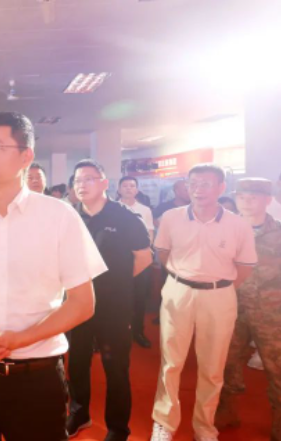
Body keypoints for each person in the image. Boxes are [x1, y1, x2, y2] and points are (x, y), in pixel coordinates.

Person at [0, 112, 107, 441]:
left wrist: (21, 339)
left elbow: (83, 303)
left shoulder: (59, 217)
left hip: (35, 376)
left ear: (26, 156)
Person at [150, 164, 257, 441]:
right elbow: (163, 253)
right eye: (193, 183)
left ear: (221, 188)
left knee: (212, 366)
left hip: (219, 295)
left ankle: (205, 426)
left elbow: (245, 266)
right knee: (171, 362)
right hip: (178, 291)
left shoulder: (238, 224)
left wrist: (217, 286)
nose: (198, 189)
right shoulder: (171, 218)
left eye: (206, 184)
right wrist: (184, 279)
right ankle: (164, 422)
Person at [67, 161, 152, 441]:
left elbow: (144, 258)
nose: (82, 185)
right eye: (77, 180)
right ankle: (79, 413)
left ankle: (118, 427)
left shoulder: (125, 217)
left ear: (104, 183)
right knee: (77, 362)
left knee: (115, 367)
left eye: (89, 179)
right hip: (77, 304)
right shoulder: (69, 216)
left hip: (114, 306)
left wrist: (116, 283)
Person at [215, 178, 281, 441]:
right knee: (226, 361)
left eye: (254, 197)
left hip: (271, 312)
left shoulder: (278, 232)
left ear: (268, 200)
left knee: (277, 367)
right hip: (231, 308)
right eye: (242, 197)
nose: (247, 202)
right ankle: (228, 410)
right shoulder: (224, 231)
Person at [117, 175, 156, 348]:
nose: (129, 188)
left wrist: (146, 254)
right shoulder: (112, 208)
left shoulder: (144, 210)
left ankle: (138, 331)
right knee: (117, 297)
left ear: (137, 190)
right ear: (119, 189)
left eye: (132, 186)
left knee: (139, 297)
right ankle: (117, 331)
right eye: (125, 185)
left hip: (140, 259)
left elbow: (150, 233)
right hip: (118, 261)